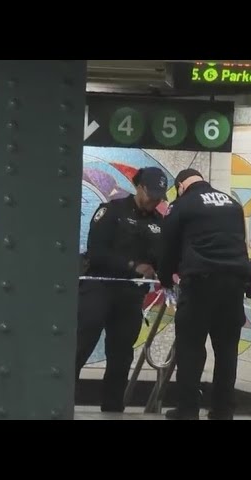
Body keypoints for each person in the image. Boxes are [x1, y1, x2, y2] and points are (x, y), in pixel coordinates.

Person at [158, 168, 251, 420]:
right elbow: (240, 244)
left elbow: (167, 247)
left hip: (201, 284)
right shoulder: (232, 204)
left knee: (191, 348)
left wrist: (165, 278)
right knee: (226, 350)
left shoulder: (182, 205)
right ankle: (223, 410)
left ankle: (188, 410)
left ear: (180, 185)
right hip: (234, 285)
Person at [75, 166, 168, 412]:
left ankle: (113, 408)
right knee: (82, 344)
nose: (155, 201)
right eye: (152, 194)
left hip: (130, 296)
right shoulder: (112, 211)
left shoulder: (159, 224)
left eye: (160, 197)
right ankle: (60, 400)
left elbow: (161, 259)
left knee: (121, 354)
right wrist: (132, 266)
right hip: (99, 287)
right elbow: (97, 252)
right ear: (139, 187)